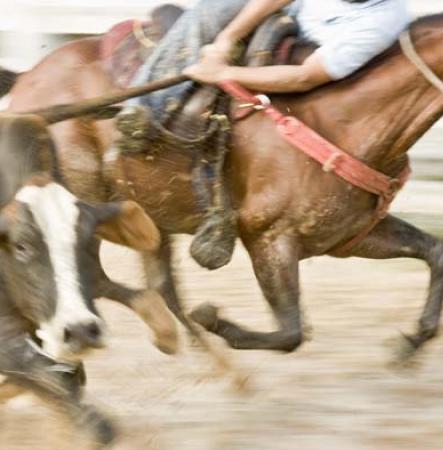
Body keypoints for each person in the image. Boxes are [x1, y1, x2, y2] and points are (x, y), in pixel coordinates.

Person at [122, 0, 410, 269]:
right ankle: (140, 108)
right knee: (209, 11)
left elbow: (304, 77)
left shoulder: (384, 20)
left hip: (318, 60)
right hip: (292, 15)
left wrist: (222, 74)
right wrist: (227, 39)